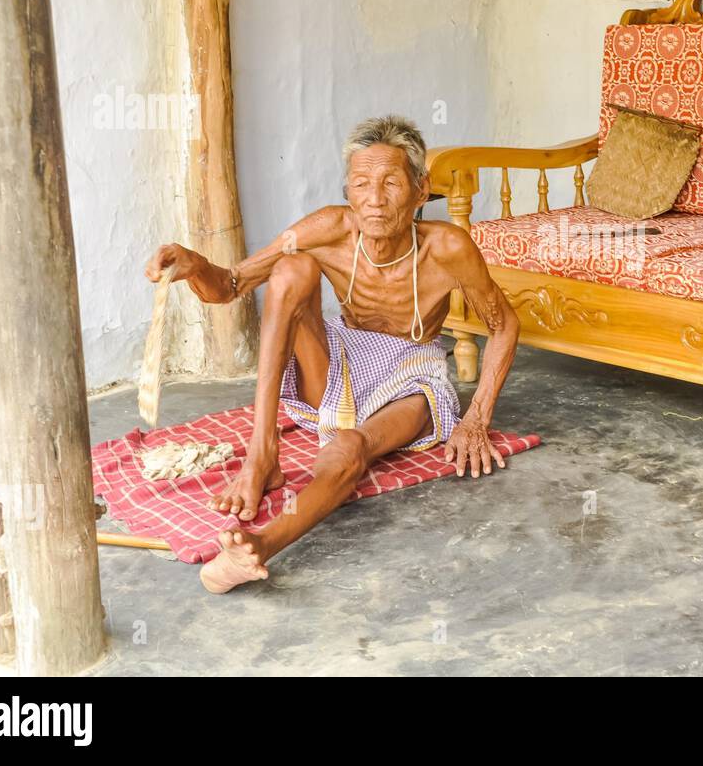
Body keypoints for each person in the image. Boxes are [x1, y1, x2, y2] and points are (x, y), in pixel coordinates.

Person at [144, 116, 518, 593]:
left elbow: (503, 324)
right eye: (361, 184)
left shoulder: (447, 247)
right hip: (342, 358)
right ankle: (263, 455)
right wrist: (193, 263)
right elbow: (233, 284)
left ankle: (259, 547)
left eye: (390, 183)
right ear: (347, 191)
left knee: (349, 448)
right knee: (292, 269)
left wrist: (477, 417)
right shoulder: (327, 229)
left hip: (410, 374)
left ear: (421, 192)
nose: (374, 199)